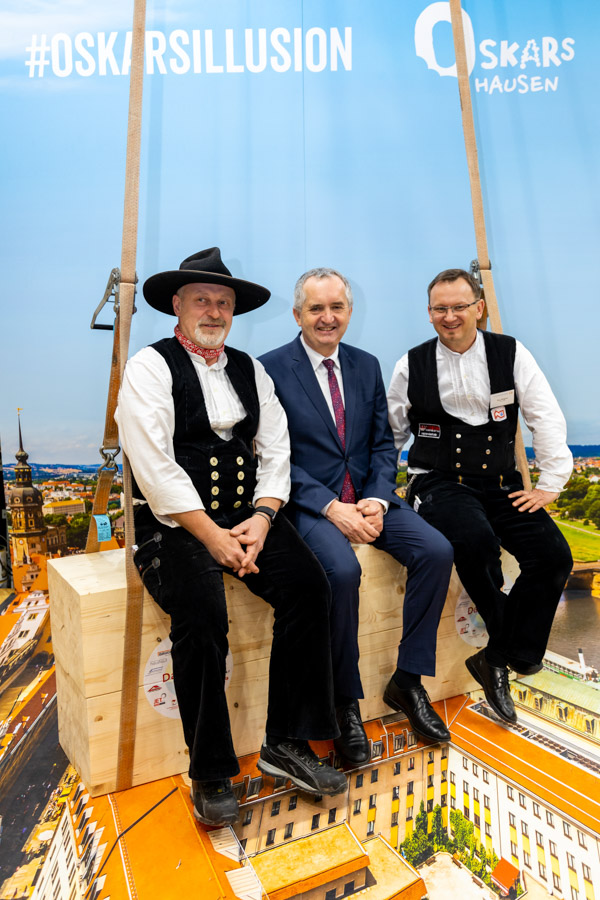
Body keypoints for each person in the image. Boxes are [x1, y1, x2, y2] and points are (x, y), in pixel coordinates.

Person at [116, 248, 346, 827]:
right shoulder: (150, 367)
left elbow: (276, 449)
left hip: (246, 516)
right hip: (174, 525)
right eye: (202, 300)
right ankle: (211, 769)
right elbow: (154, 466)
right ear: (177, 304)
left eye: (223, 302)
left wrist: (263, 518)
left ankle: (285, 741)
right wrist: (211, 536)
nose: (214, 311)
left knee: (309, 589)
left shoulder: (250, 370)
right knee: (201, 617)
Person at [260, 267, 455, 761]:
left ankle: (408, 680)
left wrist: (378, 498)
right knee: (342, 572)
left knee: (436, 550)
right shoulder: (269, 369)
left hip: (367, 497)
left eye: (337, 307)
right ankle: (344, 705)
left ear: (350, 311)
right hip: (310, 506)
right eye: (316, 308)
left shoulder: (367, 365)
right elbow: (274, 457)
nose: (327, 318)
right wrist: (332, 507)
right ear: (297, 315)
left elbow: (383, 443)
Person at [387, 268, 573, 724]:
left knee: (554, 556)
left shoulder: (510, 353)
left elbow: (544, 415)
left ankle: (496, 656)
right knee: (474, 540)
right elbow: (389, 435)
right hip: (438, 482)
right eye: (440, 308)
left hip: (500, 482)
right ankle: (513, 653)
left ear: (479, 308)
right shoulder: (411, 364)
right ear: (429, 312)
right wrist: (373, 492)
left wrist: (551, 482)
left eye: (459, 307)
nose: (450, 316)